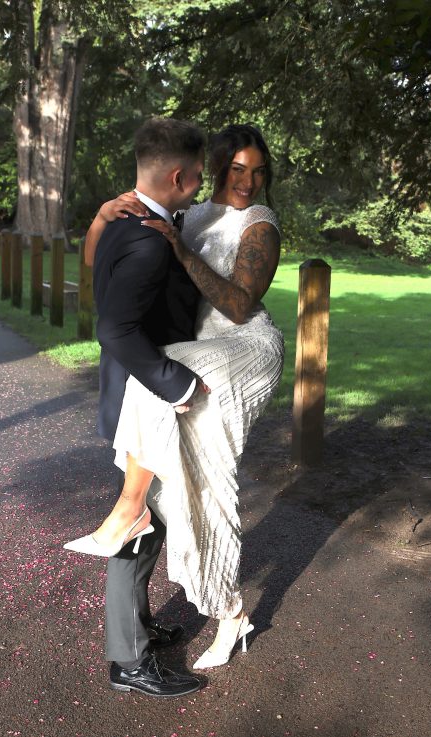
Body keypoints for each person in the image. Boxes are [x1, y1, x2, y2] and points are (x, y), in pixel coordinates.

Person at [68, 123, 284, 673]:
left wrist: (182, 252)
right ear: (213, 169)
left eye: (259, 172)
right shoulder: (188, 214)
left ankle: (128, 514)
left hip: (239, 350)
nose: (248, 181)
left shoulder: (259, 223)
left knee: (166, 396)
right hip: (189, 357)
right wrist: (101, 216)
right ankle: (224, 612)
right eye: (237, 169)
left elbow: (239, 307)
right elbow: (102, 263)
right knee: (193, 488)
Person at [65, 116, 207, 698]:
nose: (202, 184)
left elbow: (92, 269)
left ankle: (139, 626)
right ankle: (128, 659)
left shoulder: (123, 222)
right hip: (142, 397)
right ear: (178, 176)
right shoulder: (148, 240)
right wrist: (177, 384)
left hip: (127, 390)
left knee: (149, 515)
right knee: (138, 521)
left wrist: (99, 218)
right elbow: (116, 328)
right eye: (199, 175)